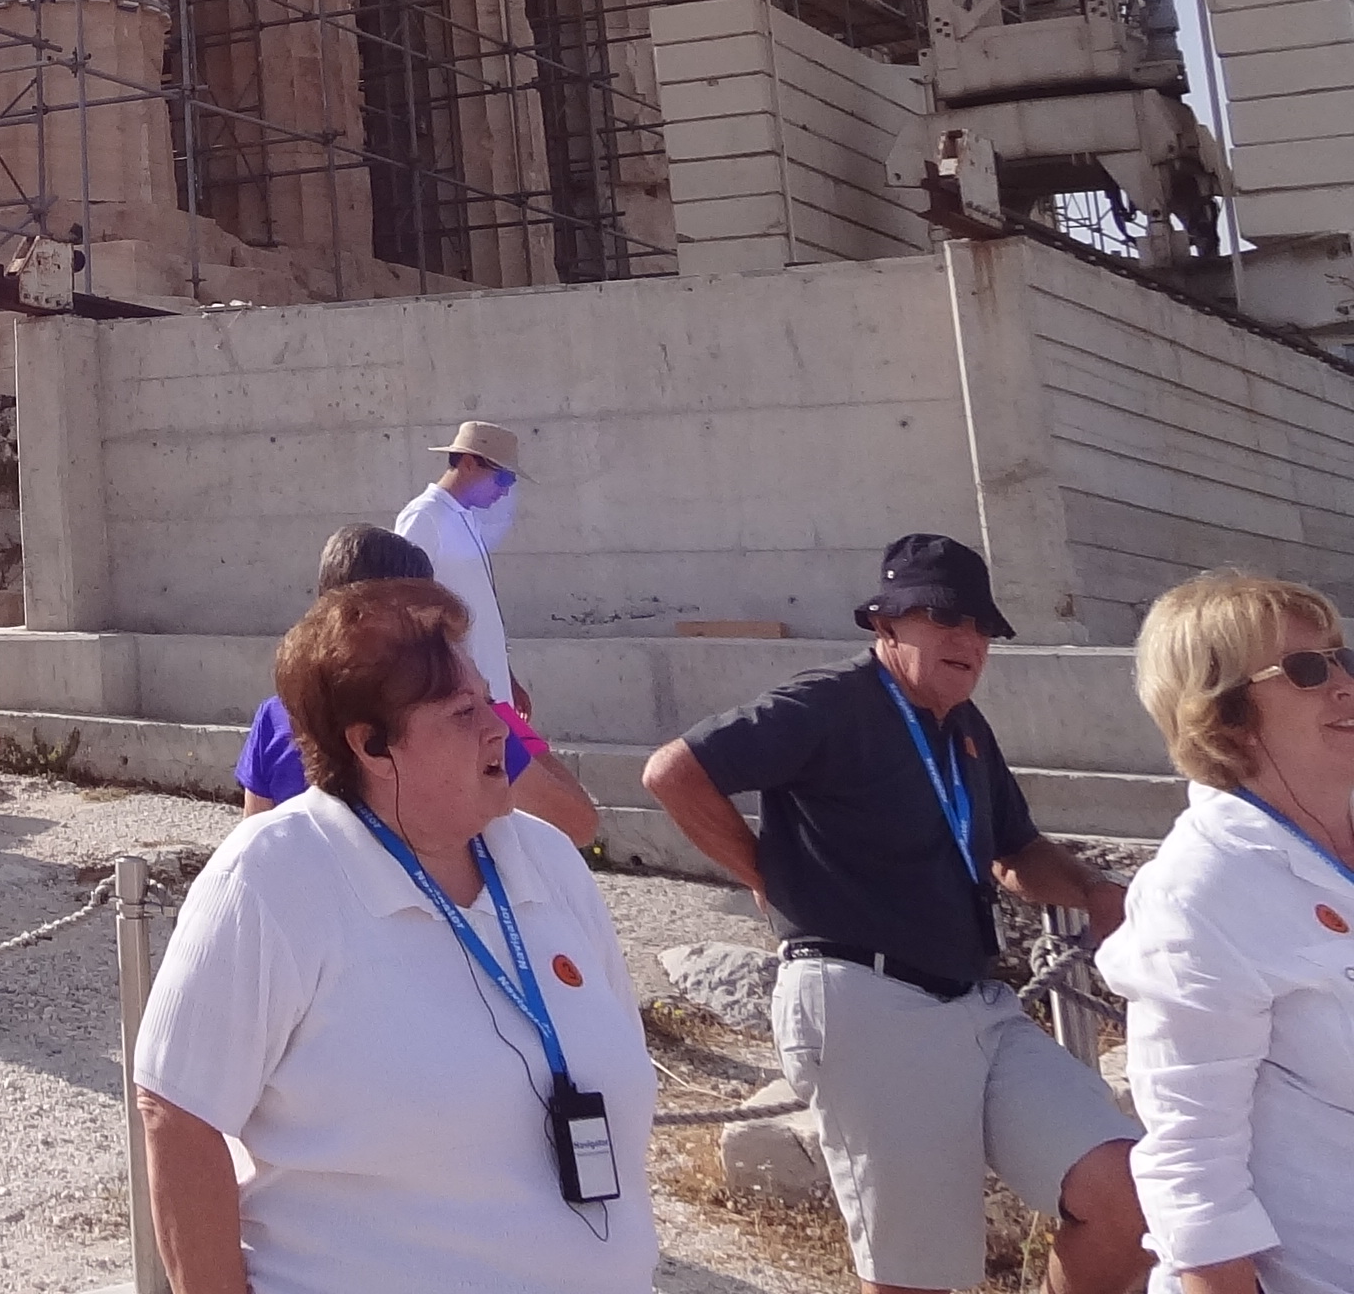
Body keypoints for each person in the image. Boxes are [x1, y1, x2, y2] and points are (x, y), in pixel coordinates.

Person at [640, 532, 1149, 1294]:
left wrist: (1094, 889)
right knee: (916, 1280)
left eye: (980, 626)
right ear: (885, 622)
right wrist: (765, 876)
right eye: (943, 618)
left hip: (979, 1004)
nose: (966, 640)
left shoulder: (966, 729)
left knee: (1130, 1197)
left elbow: (1016, 852)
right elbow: (673, 772)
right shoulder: (830, 702)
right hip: (869, 1001)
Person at [133, 576, 658, 1293]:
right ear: (373, 746)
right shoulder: (273, 875)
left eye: (491, 701)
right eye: (464, 711)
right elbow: (177, 1111)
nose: (500, 729)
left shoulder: (547, 859)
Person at [1093, 572, 1354, 1294]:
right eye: (1306, 670)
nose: (1343, 683)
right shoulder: (1201, 888)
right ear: (1225, 714)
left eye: (1342, 658)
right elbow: (1190, 1167)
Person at [232, 525, 602, 848]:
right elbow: (578, 823)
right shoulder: (450, 724)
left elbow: (255, 837)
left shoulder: (276, 715)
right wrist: (502, 719)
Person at [395, 419, 527, 709]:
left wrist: (508, 680)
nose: (505, 491)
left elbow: (481, 612)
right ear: (468, 463)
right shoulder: (424, 516)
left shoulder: (465, 518)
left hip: (491, 694)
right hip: (462, 699)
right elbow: (404, 610)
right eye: (504, 478)